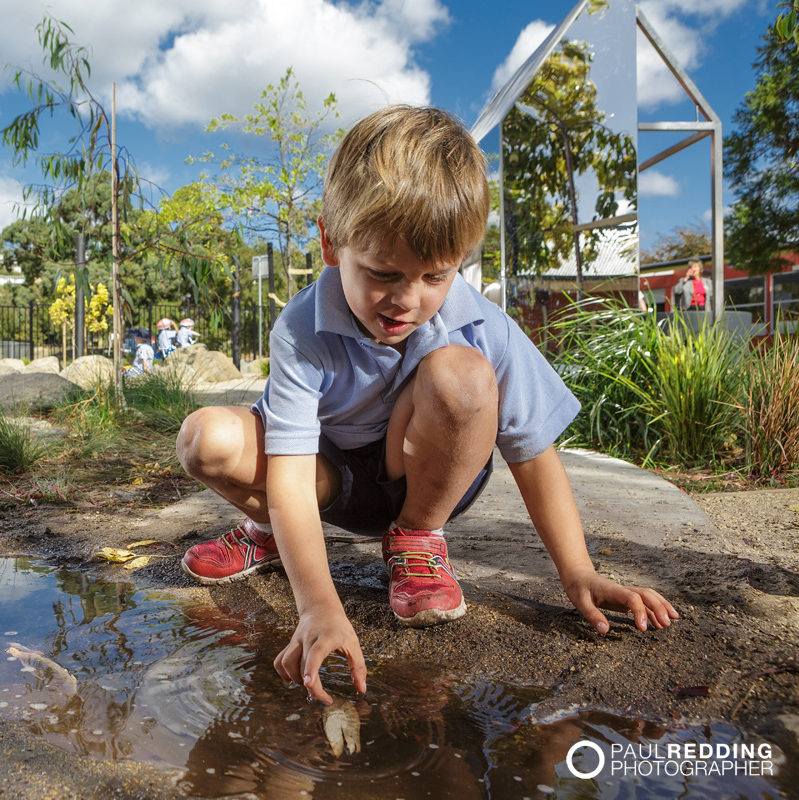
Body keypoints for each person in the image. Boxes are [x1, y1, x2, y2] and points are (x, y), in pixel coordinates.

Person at [174, 105, 678, 705]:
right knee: (206, 438)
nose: (406, 300)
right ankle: (273, 537)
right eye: (383, 272)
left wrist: (578, 571)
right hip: (324, 479)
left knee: (463, 378)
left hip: (419, 477)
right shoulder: (301, 328)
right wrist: (321, 608)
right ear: (332, 243)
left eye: (435, 276)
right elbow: (288, 472)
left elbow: (532, 453)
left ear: (458, 262)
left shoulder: (482, 325)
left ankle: (416, 539)